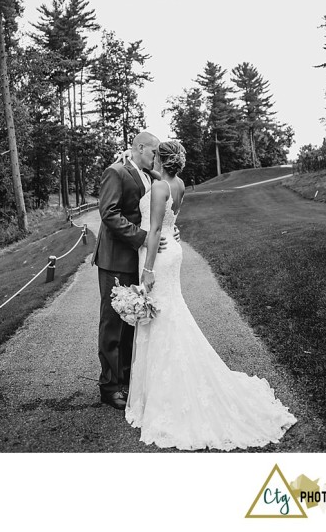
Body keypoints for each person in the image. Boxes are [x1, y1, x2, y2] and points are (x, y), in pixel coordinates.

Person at [125, 140, 296, 449]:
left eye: (155, 156)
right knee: (169, 314)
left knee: (163, 318)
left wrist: (147, 270)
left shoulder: (161, 187)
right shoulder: (178, 184)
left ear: (161, 161)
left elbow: (152, 232)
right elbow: (171, 221)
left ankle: (169, 395)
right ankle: (164, 388)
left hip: (158, 256)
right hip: (172, 249)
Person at [92, 131, 162, 410]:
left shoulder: (147, 175)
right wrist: (142, 237)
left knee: (130, 322)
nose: (155, 156)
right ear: (140, 148)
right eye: (153, 151)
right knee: (112, 324)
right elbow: (109, 213)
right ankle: (109, 387)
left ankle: (126, 379)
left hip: (133, 259)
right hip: (114, 259)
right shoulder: (116, 171)